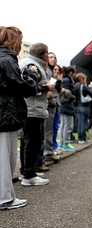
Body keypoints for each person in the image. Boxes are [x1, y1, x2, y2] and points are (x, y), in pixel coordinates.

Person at [0, 26, 38, 209]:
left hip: (4, 112)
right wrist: (31, 76)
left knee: (5, 155)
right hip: (6, 113)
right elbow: (21, 87)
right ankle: (5, 198)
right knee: (5, 157)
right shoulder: (7, 59)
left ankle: (6, 196)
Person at [19, 43, 54, 186]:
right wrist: (47, 87)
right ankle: (29, 175)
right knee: (32, 142)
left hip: (30, 108)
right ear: (45, 55)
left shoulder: (27, 63)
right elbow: (30, 88)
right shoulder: (32, 65)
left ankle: (26, 171)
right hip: (32, 109)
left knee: (27, 141)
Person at [73, 73, 92, 144]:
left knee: (79, 122)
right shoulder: (83, 86)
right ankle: (82, 138)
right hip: (84, 105)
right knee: (83, 123)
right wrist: (90, 88)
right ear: (82, 79)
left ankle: (80, 138)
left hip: (77, 106)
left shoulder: (74, 86)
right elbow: (91, 94)